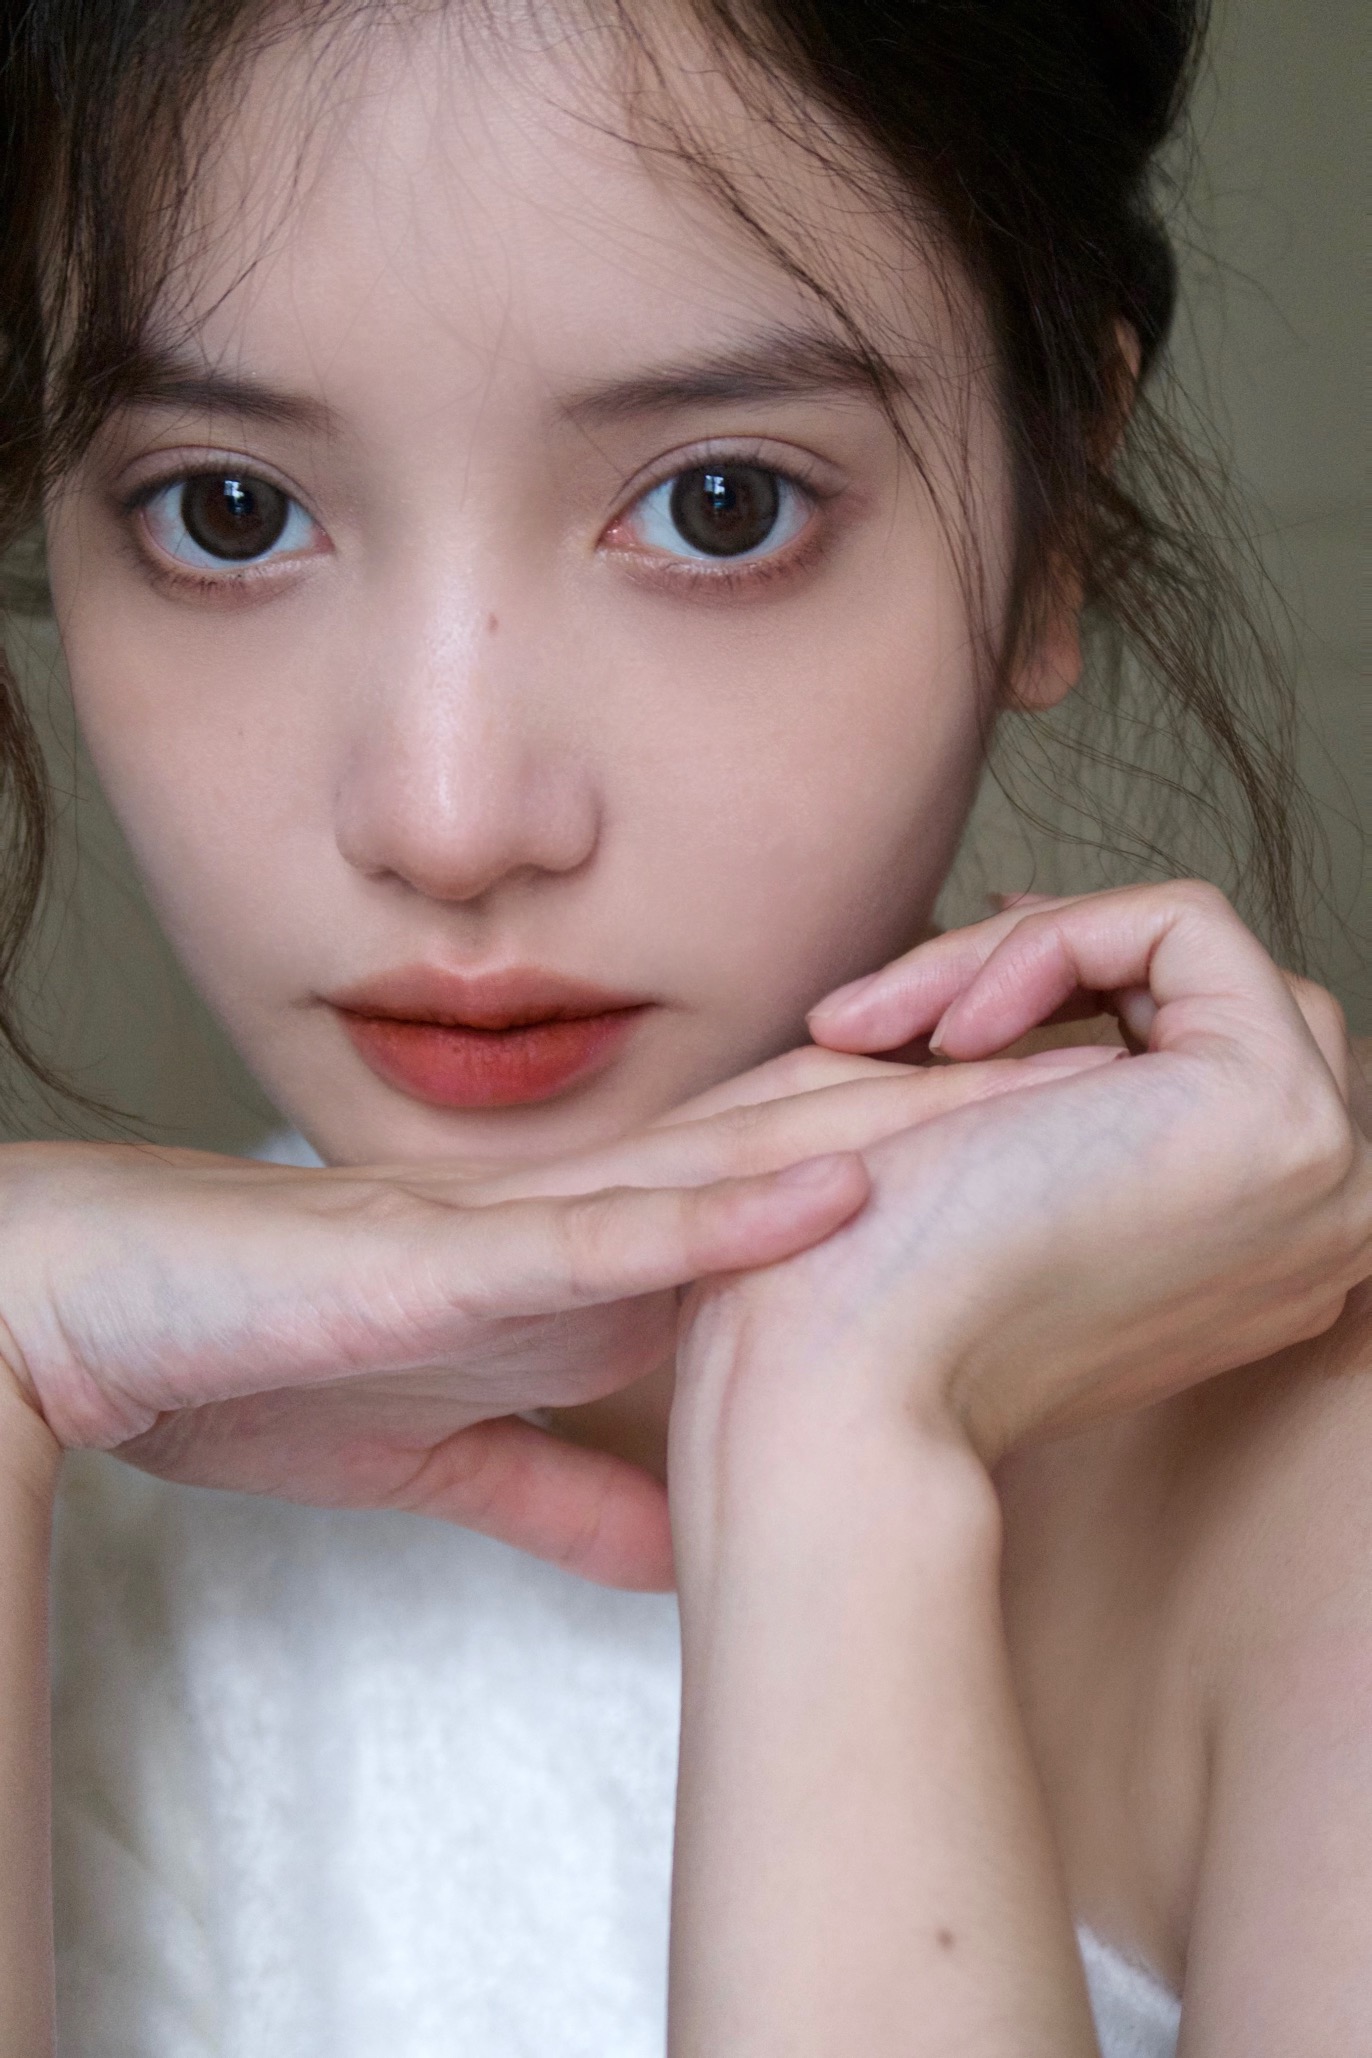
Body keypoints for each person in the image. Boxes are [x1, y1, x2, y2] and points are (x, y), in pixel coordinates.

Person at [0, 2, 1367, 2052]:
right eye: (227, 512)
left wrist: (844, 1447)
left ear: (1056, 512)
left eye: (720, 504)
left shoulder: (1323, 1495)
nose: (451, 817)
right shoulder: (58, 1405)